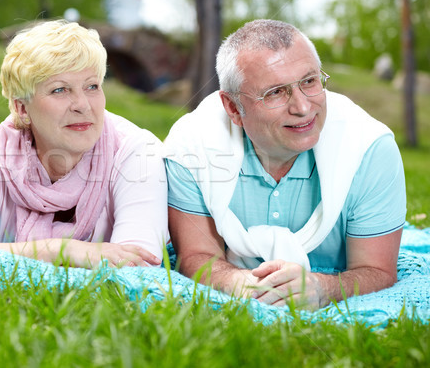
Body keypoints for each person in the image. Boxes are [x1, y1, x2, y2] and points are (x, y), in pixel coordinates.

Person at [164, 19, 406, 309]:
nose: (303, 108)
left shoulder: (369, 148)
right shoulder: (191, 147)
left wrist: (323, 288)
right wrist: (240, 283)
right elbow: (196, 256)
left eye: (309, 81)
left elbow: (377, 271)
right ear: (233, 108)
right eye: (275, 92)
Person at [0, 20, 168, 268]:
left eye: (92, 86)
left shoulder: (138, 152)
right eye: (60, 90)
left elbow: (138, 267)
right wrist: (58, 250)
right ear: (22, 108)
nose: (82, 105)